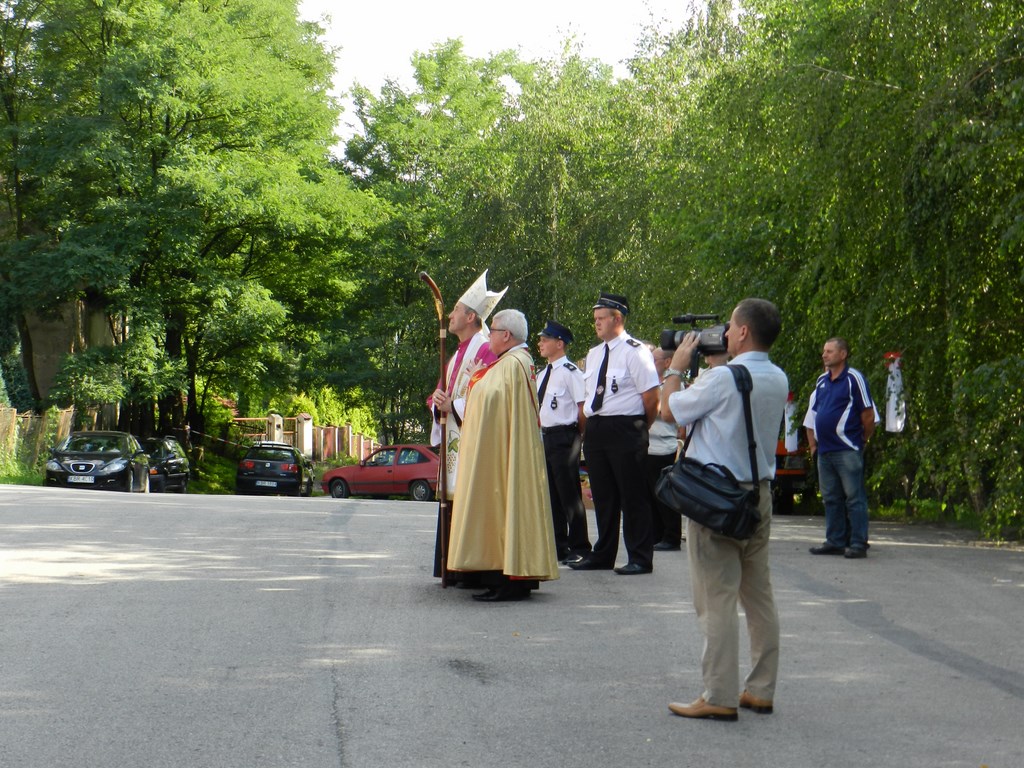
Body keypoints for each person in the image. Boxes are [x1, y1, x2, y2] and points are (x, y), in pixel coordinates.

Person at [661, 298, 789, 721]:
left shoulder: (722, 379)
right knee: (759, 595)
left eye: (731, 327)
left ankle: (718, 694)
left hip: (717, 498)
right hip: (758, 494)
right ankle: (761, 690)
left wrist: (677, 368)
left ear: (744, 332)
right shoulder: (777, 376)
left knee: (716, 598)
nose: (726, 333)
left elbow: (668, 411)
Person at [447, 309, 560, 602]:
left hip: (506, 453)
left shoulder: (513, 364)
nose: (489, 337)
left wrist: (473, 383)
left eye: (493, 331)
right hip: (508, 449)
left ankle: (509, 580)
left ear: (506, 335)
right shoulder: (513, 362)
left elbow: (490, 401)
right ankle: (506, 576)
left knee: (507, 506)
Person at [570, 292, 660, 575]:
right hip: (598, 428)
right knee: (603, 495)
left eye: (601, 318)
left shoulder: (636, 351)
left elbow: (651, 398)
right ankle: (603, 553)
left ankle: (640, 557)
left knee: (633, 495)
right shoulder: (594, 354)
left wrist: (639, 428)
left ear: (617, 318)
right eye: (595, 318)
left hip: (626, 427)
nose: (596, 323)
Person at [428, 270, 507, 580]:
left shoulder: (485, 349)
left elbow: (490, 397)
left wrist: (454, 406)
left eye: (456, 309)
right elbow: (440, 395)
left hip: (473, 442)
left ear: (472, 317)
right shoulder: (457, 353)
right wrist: (437, 402)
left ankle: (469, 570)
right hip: (455, 439)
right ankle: (453, 567)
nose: (450, 315)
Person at [803, 337, 875, 559]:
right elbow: (816, 413)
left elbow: (868, 415)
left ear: (843, 354)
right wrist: (814, 445)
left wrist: (861, 441)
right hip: (825, 450)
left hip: (847, 449)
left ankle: (858, 543)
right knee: (831, 497)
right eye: (824, 351)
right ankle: (835, 540)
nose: (824, 355)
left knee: (854, 498)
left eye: (830, 351)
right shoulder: (822, 381)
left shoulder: (854, 379)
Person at [536, 320, 591, 564]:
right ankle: (559, 545)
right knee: (552, 494)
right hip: (546, 436)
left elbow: (582, 409)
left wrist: (577, 436)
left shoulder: (571, 372)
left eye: (545, 340)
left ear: (560, 343)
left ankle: (580, 545)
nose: (540, 344)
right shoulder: (542, 374)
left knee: (569, 493)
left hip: (565, 435)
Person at [647, 345, 683, 551]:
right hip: (648, 445)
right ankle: (657, 534)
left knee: (664, 493)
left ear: (668, 362)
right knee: (650, 494)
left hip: (663, 446)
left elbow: (670, 412)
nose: (650, 364)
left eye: (654, 360)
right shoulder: (650, 383)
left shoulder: (673, 383)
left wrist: (650, 405)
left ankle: (671, 536)